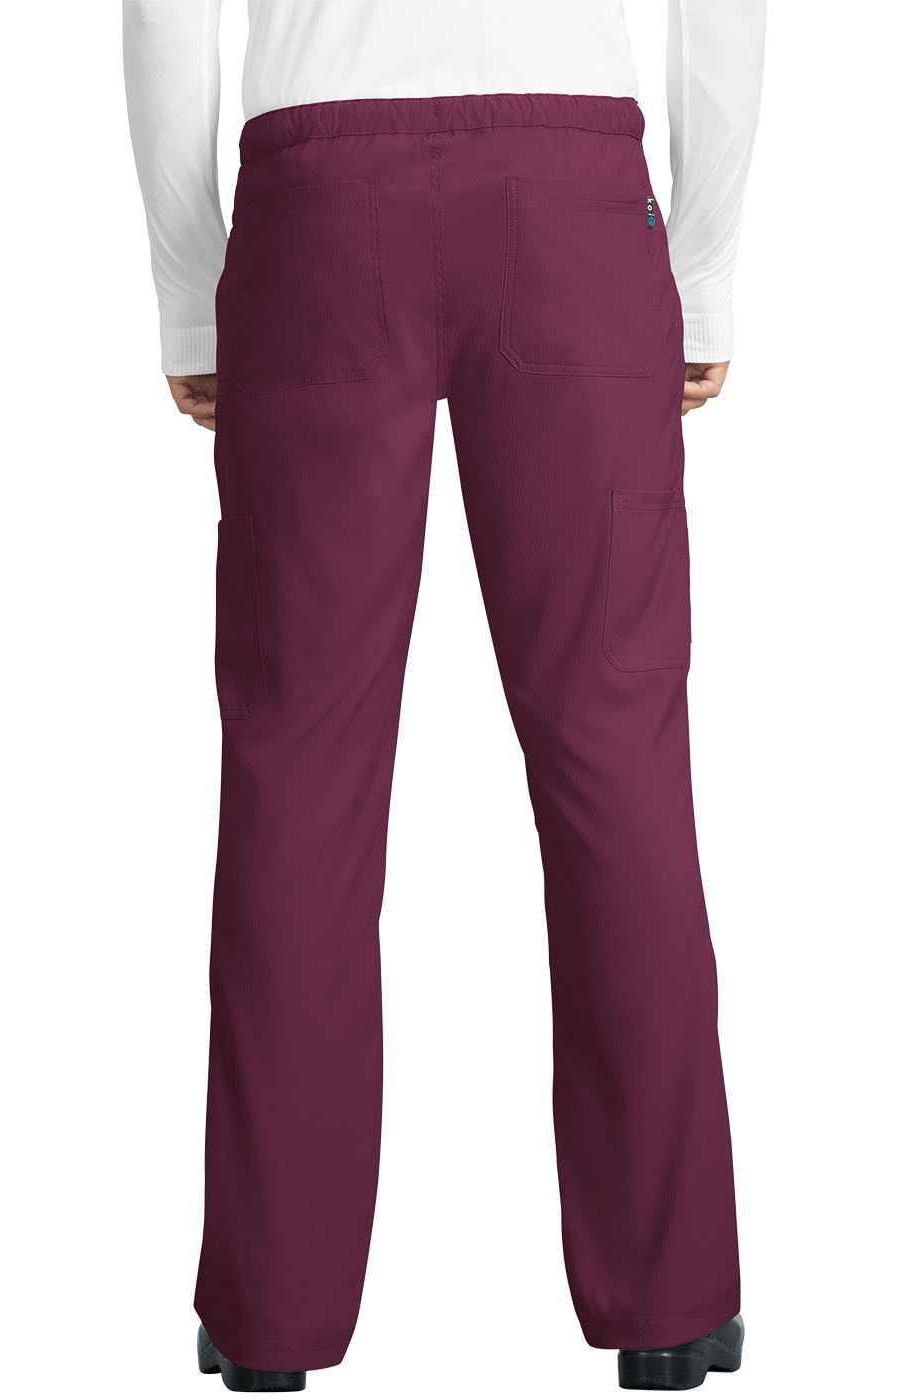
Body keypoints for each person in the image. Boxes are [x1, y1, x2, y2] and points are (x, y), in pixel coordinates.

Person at [123, 1, 765, 1391]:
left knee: (298, 764)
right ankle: (668, 1303)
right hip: (573, 199)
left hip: (316, 204)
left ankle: (270, 1319)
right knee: (617, 754)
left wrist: (189, 282)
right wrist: (703, 270)